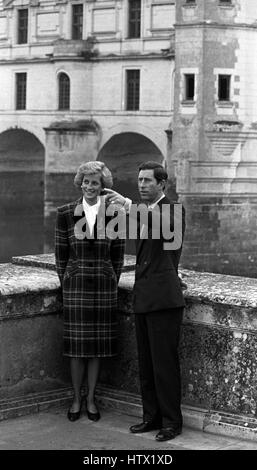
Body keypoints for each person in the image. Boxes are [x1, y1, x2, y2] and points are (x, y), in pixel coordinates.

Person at [105, 161, 186, 442]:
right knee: (147, 364)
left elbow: (166, 231)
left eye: (148, 181)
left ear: (162, 184)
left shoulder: (172, 209)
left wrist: (128, 204)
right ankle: (151, 417)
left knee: (164, 364)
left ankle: (172, 422)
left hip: (164, 299)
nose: (141, 184)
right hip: (145, 296)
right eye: (139, 180)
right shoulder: (145, 213)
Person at [55, 161, 125, 422]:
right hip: (75, 286)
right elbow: (60, 254)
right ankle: (76, 399)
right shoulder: (65, 213)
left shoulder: (114, 214)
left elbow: (118, 255)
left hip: (104, 287)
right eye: (85, 182)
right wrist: (67, 281)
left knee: (97, 348)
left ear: (103, 186)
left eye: (94, 182)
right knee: (76, 349)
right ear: (80, 183)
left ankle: (92, 399)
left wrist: (110, 278)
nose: (89, 186)